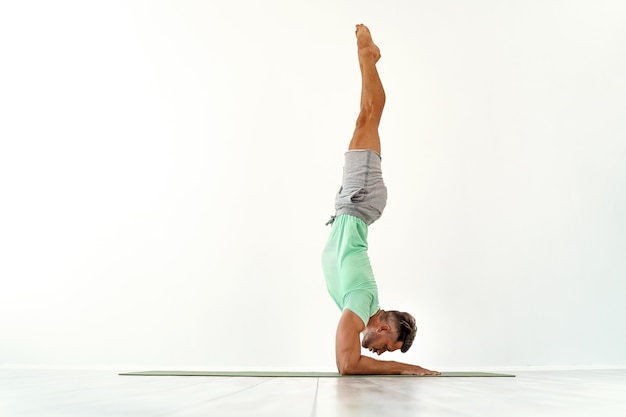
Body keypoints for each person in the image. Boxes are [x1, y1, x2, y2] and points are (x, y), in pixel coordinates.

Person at [322, 24, 440, 376]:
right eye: (386, 348)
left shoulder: (359, 305)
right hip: (359, 202)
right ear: (384, 328)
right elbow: (348, 365)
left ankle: (367, 59)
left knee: (365, 116)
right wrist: (406, 369)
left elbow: (349, 363)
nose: (380, 352)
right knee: (369, 115)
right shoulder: (360, 304)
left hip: (352, 205)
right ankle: (368, 58)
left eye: (387, 354)